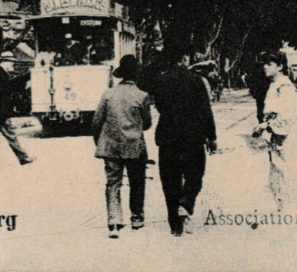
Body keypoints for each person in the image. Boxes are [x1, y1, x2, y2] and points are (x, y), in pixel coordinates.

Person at [142, 48, 217, 236]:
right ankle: (186, 203)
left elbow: (158, 105)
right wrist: (212, 137)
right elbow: (206, 110)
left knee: (170, 181)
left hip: (168, 136)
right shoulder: (196, 80)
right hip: (193, 135)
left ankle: (175, 226)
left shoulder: (160, 80)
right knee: (195, 176)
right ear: (184, 58)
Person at [92, 55, 152, 238]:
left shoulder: (108, 94)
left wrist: (100, 141)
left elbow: (96, 122)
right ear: (136, 75)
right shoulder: (142, 96)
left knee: (113, 183)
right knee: (137, 182)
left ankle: (114, 221)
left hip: (110, 147)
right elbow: (147, 124)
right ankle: (136, 218)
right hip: (134, 146)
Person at [251, 50, 297, 211]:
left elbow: (288, 115)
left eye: (269, 64)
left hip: (287, 135)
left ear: (280, 66)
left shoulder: (284, 86)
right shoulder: (275, 84)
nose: (265, 67)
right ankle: (282, 206)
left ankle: (293, 210)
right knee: (277, 169)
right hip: (277, 134)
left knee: (287, 171)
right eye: (264, 63)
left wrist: (265, 126)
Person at [0, 52, 36, 168]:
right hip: (0, 110)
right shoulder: (0, 74)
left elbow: (5, 87)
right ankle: (23, 157)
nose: (13, 64)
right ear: (5, 62)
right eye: (12, 62)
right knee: (11, 135)